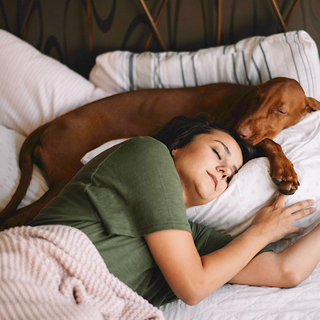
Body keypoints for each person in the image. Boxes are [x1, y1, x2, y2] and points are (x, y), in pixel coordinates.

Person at [28, 114, 317, 307]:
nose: (223, 171)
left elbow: (285, 271)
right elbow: (193, 286)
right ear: (177, 146)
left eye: (230, 175)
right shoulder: (147, 153)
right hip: (34, 273)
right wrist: (260, 233)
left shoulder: (192, 243)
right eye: (218, 153)